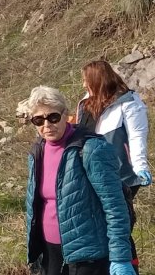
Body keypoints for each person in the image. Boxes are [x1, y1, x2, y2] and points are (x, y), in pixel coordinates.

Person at [24, 86, 135, 275]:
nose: (47, 125)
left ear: (65, 114)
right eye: (38, 120)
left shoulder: (91, 149)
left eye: (53, 117)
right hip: (50, 253)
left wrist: (120, 257)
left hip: (88, 257)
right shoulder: (38, 151)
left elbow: (115, 206)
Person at [76, 60, 150, 271]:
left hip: (120, 174)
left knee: (119, 222)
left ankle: (126, 265)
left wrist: (140, 167)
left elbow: (137, 136)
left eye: (86, 80)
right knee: (97, 222)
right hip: (91, 172)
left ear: (97, 80)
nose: (83, 85)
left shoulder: (129, 103)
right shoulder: (86, 103)